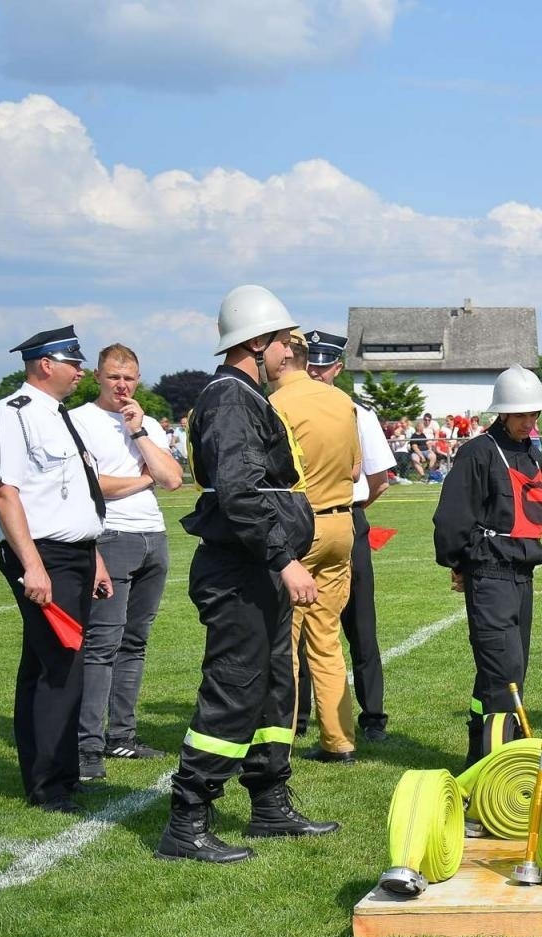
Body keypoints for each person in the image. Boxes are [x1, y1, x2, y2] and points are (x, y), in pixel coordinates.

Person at [157, 285, 337, 863]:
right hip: (240, 569)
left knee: (271, 690)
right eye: (286, 341)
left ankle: (268, 803)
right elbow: (238, 493)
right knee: (235, 690)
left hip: (254, 567)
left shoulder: (243, 395)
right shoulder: (232, 399)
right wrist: (284, 560)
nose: (293, 351)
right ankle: (187, 820)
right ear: (257, 342)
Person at [0, 325, 111, 813]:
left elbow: (72, 496)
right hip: (42, 555)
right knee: (62, 666)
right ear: (44, 364)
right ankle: (48, 786)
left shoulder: (56, 416)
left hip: (71, 553)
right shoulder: (10, 415)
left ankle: (60, 774)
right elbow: (6, 493)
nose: (81, 371)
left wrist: (92, 555)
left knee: (47, 666)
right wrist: (33, 566)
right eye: (72, 362)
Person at [69, 342, 183, 781]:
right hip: (110, 536)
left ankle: (123, 735)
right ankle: (87, 747)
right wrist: (144, 478)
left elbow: (172, 478)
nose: (122, 385)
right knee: (102, 645)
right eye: (114, 376)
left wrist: (138, 432)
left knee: (135, 643)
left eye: (130, 378)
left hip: (153, 537)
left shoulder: (145, 421)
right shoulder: (78, 421)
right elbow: (95, 486)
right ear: (98, 376)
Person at [434, 367, 542, 768]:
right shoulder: (478, 453)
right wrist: (459, 563)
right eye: (521, 415)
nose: (529, 422)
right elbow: (451, 518)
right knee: (506, 676)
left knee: (503, 672)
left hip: (522, 578)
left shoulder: (531, 451)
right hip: (491, 577)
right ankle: (499, 765)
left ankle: (477, 756)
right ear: (501, 413)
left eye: (534, 414)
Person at [271, 329, 362, 764]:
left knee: (283, 642)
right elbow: (358, 467)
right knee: (326, 639)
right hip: (341, 523)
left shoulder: (276, 404)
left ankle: (279, 740)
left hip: (298, 525)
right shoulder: (341, 401)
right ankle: (340, 739)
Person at [299, 331, 395, 743]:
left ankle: (372, 714)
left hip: (346, 517)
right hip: (301, 518)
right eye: (312, 364)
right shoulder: (290, 407)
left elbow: (379, 480)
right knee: (299, 620)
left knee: (360, 621)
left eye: (324, 365)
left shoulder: (357, 413)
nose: (316, 372)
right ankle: (298, 715)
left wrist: (350, 510)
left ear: (338, 368)